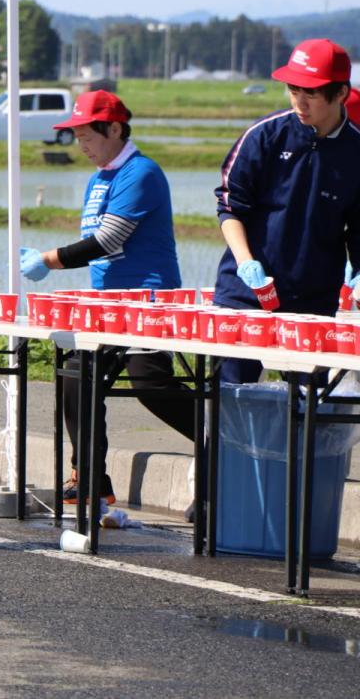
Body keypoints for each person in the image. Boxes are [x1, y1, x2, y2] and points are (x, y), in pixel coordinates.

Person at [19, 90, 197, 505]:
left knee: (150, 382)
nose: (81, 145)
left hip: (148, 299)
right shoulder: (98, 179)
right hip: (108, 303)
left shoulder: (141, 173)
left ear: (115, 129)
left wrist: (48, 260)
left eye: (87, 136)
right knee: (77, 375)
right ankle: (89, 477)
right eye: (77, 137)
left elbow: (107, 239)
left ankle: (223, 439)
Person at [213, 38, 360, 384]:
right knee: (229, 395)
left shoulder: (356, 151)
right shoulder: (265, 136)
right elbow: (230, 206)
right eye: (293, 90)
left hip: (313, 298)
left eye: (311, 92)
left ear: (340, 93)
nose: (299, 101)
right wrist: (246, 262)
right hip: (246, 292)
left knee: (307, 406)